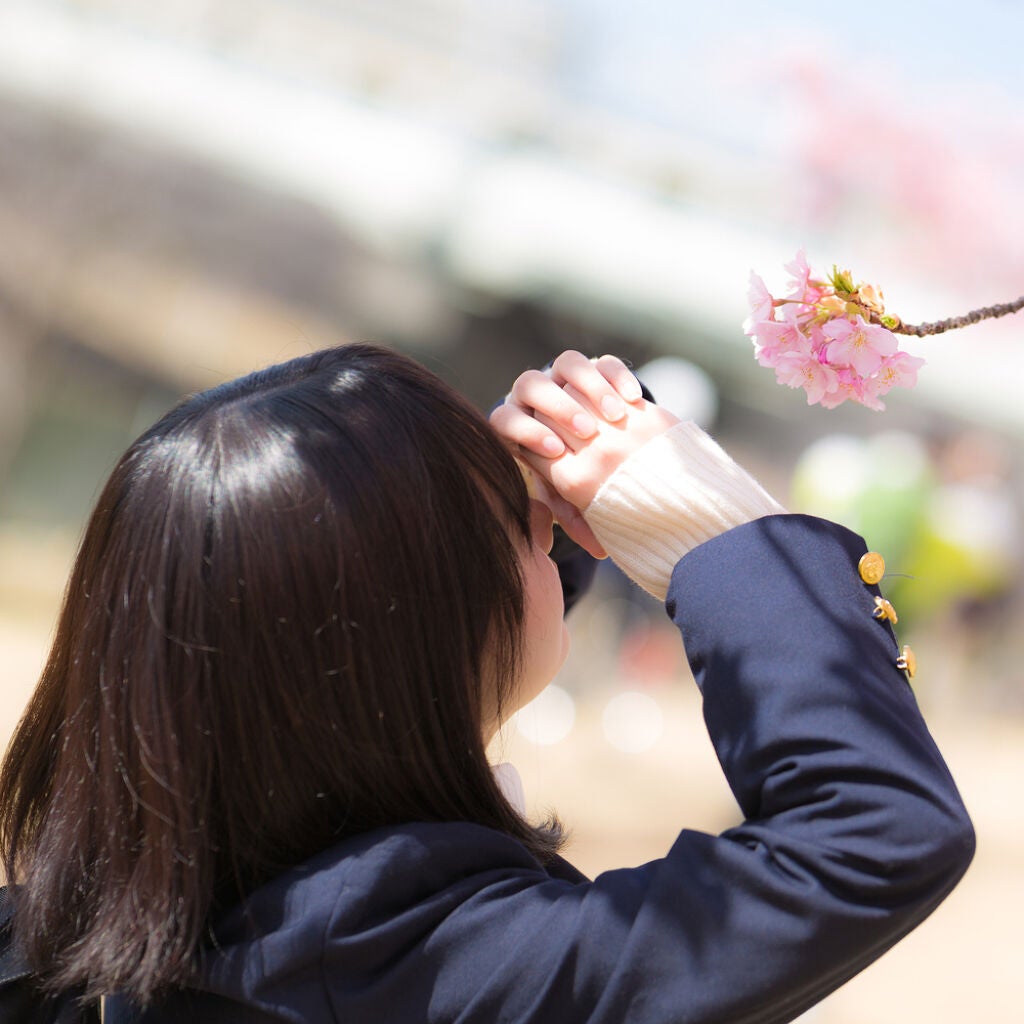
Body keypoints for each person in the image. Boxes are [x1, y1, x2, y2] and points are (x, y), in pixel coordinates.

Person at [0, 344, 973, 1023]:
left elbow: (416, 628)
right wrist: (720, 547)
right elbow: (873, 835)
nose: (546, 527)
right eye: (524, 528)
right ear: (429, 629)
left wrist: (517, 505)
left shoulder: (93, 914)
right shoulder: (435, 970)